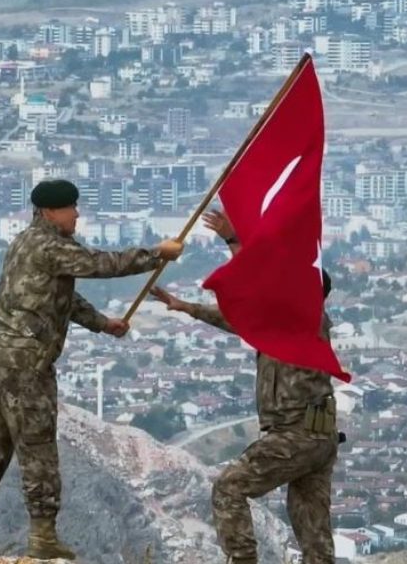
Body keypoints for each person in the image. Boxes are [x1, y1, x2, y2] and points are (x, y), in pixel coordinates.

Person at [0, 179, 184, 560]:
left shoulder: (24, 244)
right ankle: (42, 539)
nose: (76, 214)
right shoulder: (51, 245)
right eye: (70, 208)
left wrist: (102, 323)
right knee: (38, 449)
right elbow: (100, 264)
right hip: (27, 362)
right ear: (49, 212)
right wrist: (156, 254)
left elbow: (62, 295)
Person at [150, 209, 340, 564]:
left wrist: (234, 242)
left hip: (297, 436)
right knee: (312, 531)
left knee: (229, 489)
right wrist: (186, 307)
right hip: (316, 438)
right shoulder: (286, 325)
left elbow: (257, 290)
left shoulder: (306, 318)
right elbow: (242, 319)